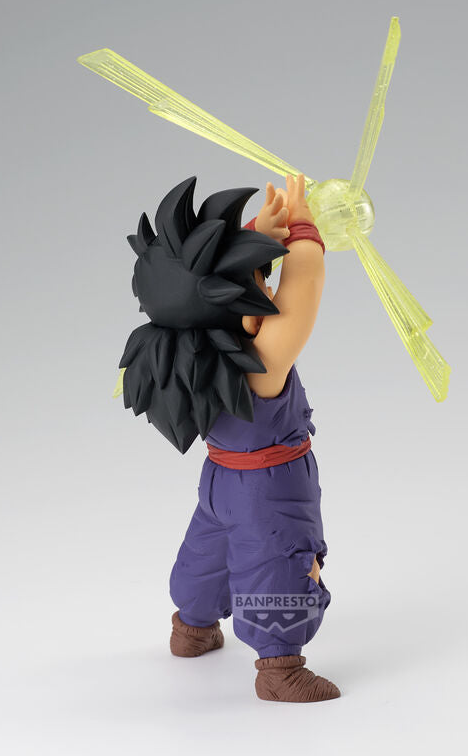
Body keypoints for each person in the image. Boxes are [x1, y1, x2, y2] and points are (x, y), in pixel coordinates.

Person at [121, 174, 338, 702]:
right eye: (259, 280)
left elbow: (200, 281)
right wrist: (304, 231)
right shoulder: (259, 366)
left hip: (219, 478)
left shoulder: (179, 348)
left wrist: (260, 231)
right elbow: (303, 294)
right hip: (270, 486)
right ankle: (280, 669)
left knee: (210, 551)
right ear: (242, 312)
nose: (267, 287)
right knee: (277, 561)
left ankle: (191, 630)